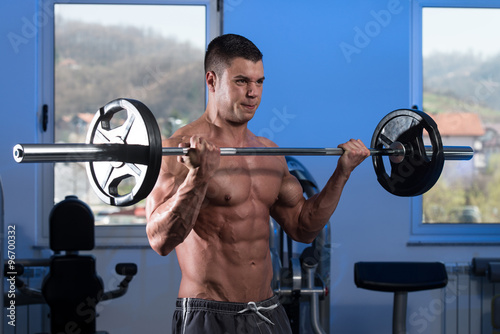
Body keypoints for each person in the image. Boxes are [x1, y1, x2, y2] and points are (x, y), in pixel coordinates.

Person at [145, 33, 370, 334]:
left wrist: (342, 174)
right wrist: (199, 177)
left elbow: (304, 228)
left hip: (267, 311)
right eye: (241, 81)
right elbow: (160, 240)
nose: (253, 93)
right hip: (209, 313)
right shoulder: (178, 149)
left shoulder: (269, 154)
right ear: (212, 81)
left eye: (259, 82)